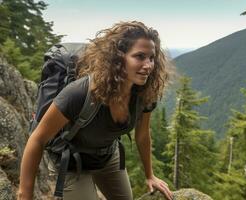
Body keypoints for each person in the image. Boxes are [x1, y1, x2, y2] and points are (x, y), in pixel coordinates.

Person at [18, 21, 173, 200]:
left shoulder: (144, 94)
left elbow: (143, 135)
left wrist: (150, 175)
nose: (148, 66)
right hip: (71, 162)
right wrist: (24, 194)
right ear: (118, 57)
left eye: (151, 58)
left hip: (107, 155)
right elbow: (37, 139)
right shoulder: (79, 93)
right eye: (139, 56)